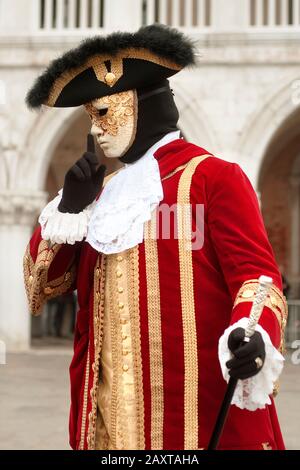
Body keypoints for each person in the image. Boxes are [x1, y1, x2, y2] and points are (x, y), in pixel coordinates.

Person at [23, 25, 287, 450]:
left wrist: (252, 331)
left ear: (143, 106)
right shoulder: (102, 196)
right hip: (107, 428)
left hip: (194, 423)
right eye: (90, 117)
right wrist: (70, 209)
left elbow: (257, 278)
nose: (95, 131)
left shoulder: (213, 179)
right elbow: (43, 285)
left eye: (104, 112)